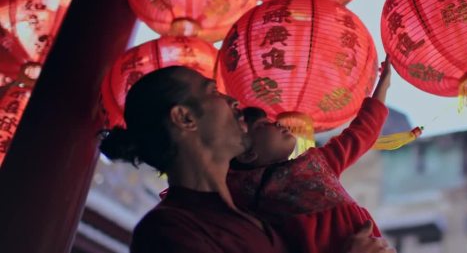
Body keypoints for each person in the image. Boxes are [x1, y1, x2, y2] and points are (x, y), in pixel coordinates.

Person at [99, 66, 395, 253]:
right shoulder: (169, 230)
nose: (234, 102)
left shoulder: (258, 217)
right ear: (185, 117)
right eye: (212, 92)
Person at [228, 56, 393, 253]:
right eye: (264, 125)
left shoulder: (316, 162)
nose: (278, 123)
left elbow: (361, 133)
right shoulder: (239, 194)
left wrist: (383, 85)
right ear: (246, 155)